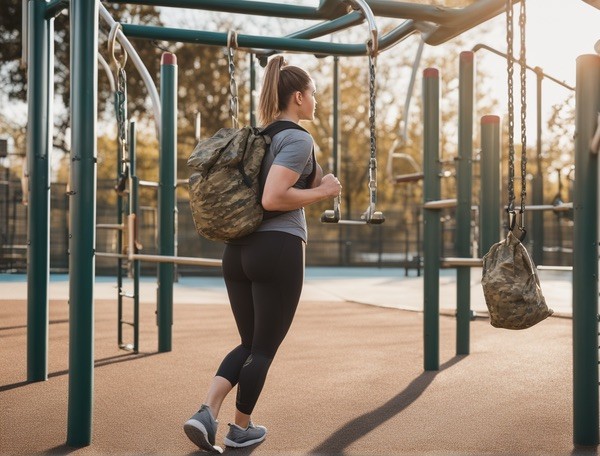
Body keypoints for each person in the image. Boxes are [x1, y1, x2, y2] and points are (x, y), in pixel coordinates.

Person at [183, 55, 342, 452]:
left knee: (250, 343)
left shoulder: (258, 136)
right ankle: (238, 430)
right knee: (264, 348)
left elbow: (273, 186)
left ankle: (207, 412)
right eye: (315, 95)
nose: (317, 102)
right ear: (299, 97)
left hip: (237, 251)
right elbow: (274, 198)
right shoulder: (298, 138)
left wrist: (317, 180)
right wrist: (322, 192)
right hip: (277, 248)